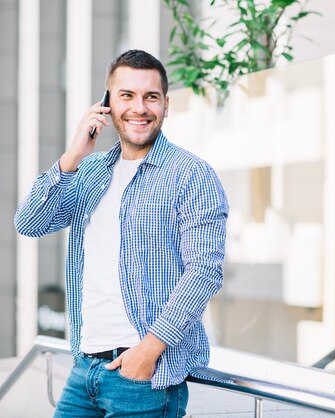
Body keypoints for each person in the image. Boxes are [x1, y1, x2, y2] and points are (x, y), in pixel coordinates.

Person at [14, 49, 228, 417]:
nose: (139, 108)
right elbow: (30, 222)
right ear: (107, 103)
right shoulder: (89, 170)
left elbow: (204, 272)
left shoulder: (192, 175)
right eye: (127, 95)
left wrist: (148, 352)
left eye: (151, 97)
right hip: (84, 368)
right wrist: (72, 156)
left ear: (165, 105)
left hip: (144, 376)